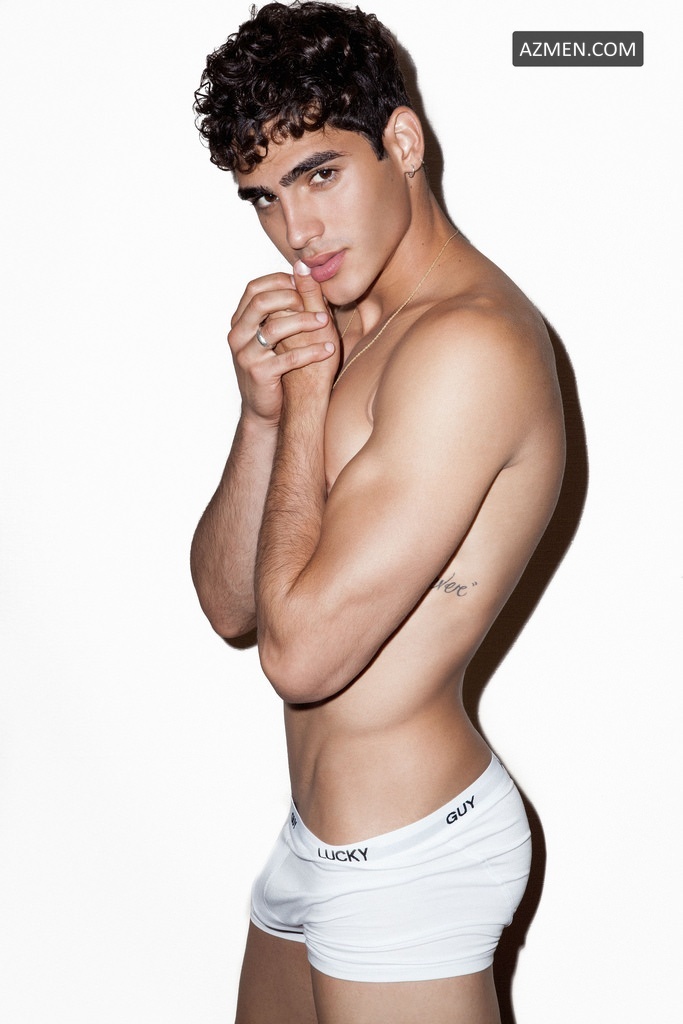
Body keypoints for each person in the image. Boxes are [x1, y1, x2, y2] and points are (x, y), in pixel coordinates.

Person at [190, 2, 565, 1021]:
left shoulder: (467, 347)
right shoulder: (352, 324)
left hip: (408, 860)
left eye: (319, 175)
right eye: (263, 198)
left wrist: (310, 393)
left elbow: (300, 656)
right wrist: (265, 416)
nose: (295, 232)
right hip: (313, 836)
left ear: (400, 141)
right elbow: (231, 605)